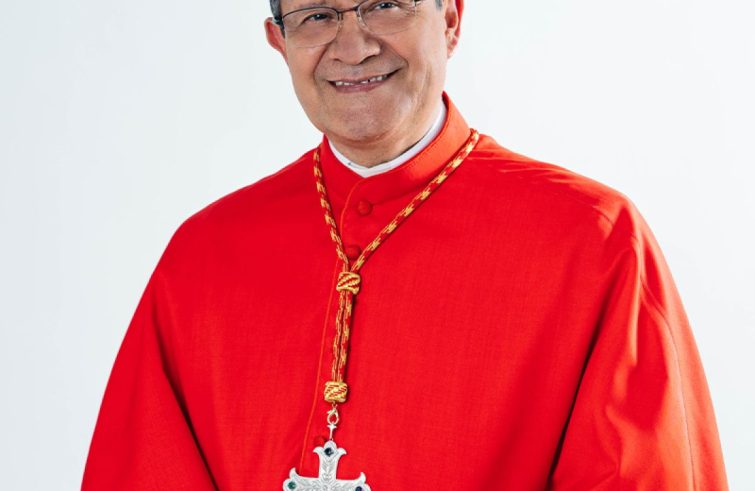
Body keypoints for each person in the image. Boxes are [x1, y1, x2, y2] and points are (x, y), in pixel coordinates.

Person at [82, 0, 729, 489]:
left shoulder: (590, 237)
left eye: (385, 5)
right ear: (279, 42)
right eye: (316, 16)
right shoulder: (205, 253)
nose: (353, 46)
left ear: (450, 18)